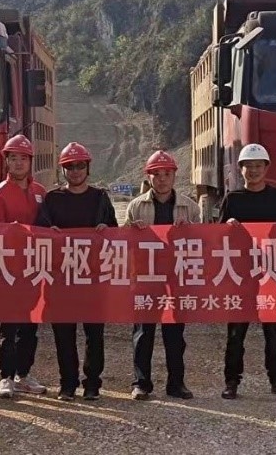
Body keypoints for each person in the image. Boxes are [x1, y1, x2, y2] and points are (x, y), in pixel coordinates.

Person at [36, 142, 116, 401]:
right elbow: (38, 234)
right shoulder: (52, 199)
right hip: (61, 280)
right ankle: (67, 384)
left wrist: (106, 229)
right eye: (70, 167)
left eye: (80, 166)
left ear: (88, 168)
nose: (75, 171)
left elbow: (116, 234)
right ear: (63, 170)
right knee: (64, 334)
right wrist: (49, 233)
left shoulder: (100, 198)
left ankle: (92, 383)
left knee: (95, 334)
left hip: (93, 279)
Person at [218, 143, 276, 400]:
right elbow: (218, 236)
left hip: (271, 274)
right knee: (236, 333)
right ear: (241, 169)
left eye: (258, 166)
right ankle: (231, 382)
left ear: (266, 168)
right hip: (241, 276)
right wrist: (227, 226)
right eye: (248, 166)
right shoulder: (233, 199)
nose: (253, 171)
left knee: (274, 331)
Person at [124, 150, 199, 401]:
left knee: (175, 334)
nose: (162, 179)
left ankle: (176, 383)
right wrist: (132, 230)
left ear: (174, 175)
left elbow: (203, 242)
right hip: (146, 278)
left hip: (176, 277)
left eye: (167, 173)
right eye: (156, 174)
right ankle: (141, 383)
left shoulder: (189, 207)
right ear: (149, 177)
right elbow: (123, 242)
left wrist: (190, 231)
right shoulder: (137, 206)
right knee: (143, 333)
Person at [0, 134, 50, 398]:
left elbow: (49, 226)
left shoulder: (40, 193)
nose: (18, 163)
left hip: (34, 269)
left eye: (23, 158)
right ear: (7, 162)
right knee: (8, 326)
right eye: (13, 158)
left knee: (30, 327)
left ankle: (23, 375)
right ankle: (6, 377)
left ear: (30, 161)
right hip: (8, 269)